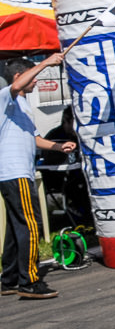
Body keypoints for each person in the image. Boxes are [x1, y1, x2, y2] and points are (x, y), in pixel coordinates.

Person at [1, 54, 77, 300]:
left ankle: (10, 279)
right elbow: (16, 86)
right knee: (31, 225)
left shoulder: (22, 106)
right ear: (19, 75)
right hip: (14, 171)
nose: (36, 83)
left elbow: (32, 137)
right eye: (32, 77)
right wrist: (45, 63)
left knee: (16, 228)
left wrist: (57, 146)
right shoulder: (5, 97)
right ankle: (29, 280)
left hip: (18, 171)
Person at [40, 106, 92, 227]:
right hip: (58, 179)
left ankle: (87, 217)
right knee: (78, 186)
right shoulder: (54, 137)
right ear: (66, 121)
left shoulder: (78, 135)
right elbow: (51, 163)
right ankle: (82, 218)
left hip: (75, 175)